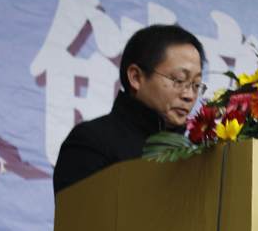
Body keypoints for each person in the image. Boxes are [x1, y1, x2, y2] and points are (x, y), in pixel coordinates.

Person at [53, 24, 206, 194]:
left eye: (196, 85)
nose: (189, 95)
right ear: (136, 77)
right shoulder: (91, 142)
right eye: (179, 80)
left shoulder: (194, 153)